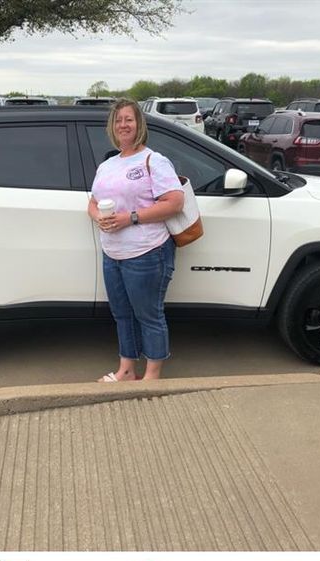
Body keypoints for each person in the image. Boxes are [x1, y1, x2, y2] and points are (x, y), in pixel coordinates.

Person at [88, 98, 184, 382]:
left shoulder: (153, 160)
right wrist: (99, 217)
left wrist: (129, 218)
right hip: (113, 252)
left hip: (147, 251)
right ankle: (127, 369)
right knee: (122, 315)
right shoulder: (108, 165)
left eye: (128, 119)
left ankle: (152, 376)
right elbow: (92, 202)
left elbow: (174, 202)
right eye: (118, 120)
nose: (123, 125)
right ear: (112, 127)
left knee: (149, 315)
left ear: (139, 124)